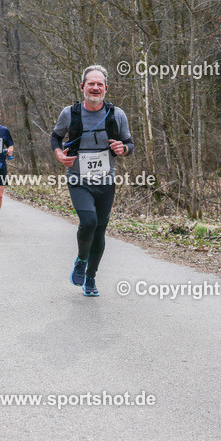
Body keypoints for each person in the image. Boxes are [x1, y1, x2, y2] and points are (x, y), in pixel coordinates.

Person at [51, 65, 134, 297]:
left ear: (106, 88)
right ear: (82, 87)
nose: (95, 88)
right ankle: (81, 259)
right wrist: (59, 155)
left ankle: (91, 278)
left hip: (106, 181)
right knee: (89, 221)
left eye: (100, 84)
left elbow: (130, 144)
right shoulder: (70, 113)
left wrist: (124, 148)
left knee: (100, 230)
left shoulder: (117, 115)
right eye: (91, 84)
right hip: (79, 179)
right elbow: (55, 137)